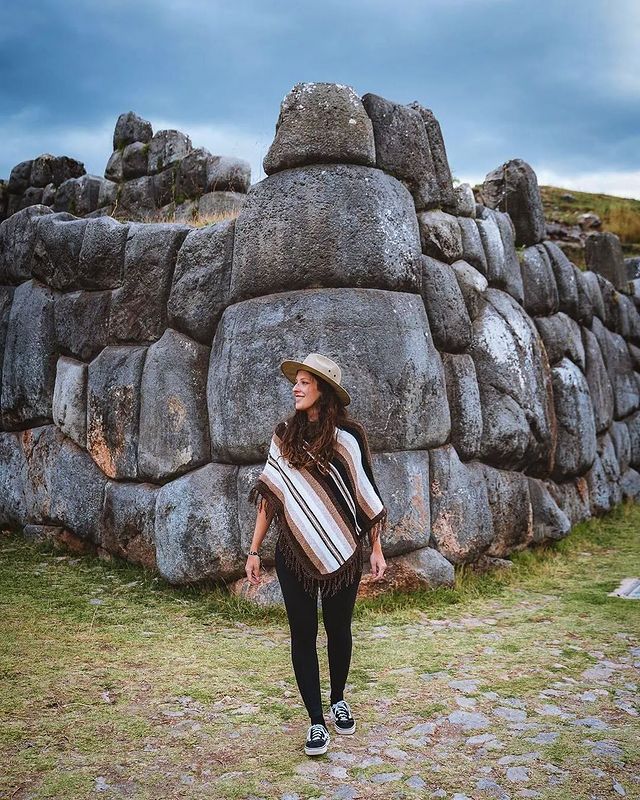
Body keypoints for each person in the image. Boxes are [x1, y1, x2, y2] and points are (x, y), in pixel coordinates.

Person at [246, 352, 388, 757]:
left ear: (323, 391)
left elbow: (365, 492)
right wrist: (254, 550)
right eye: (297, 381)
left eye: (306, 382)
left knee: (339, 630)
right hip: (293, 552)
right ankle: (315, 722)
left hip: (345, 552)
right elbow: (271, 498)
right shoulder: (284, 436)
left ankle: (339, 698)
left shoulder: (349, 437)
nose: (297, 387)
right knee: (302, 635)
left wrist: (376, 547)